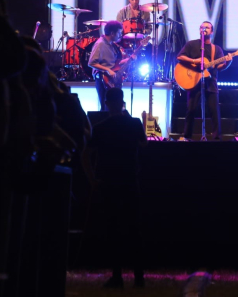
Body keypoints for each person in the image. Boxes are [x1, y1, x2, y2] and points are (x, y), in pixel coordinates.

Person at [81, 88, 146, 289]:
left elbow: (85, 154)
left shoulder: (100, 127)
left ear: (107, 103)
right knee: (134, 229)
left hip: (109, 182)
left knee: (113, 228)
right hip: (129, 180)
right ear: (123, 102)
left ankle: (117, 276)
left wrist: (92, 179)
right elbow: (144, 146)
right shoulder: (134, 123)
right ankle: (139, 277)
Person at [176, 21, 232, 140]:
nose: (204, 29)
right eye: (202, 27)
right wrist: (195, 61)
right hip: (193, 81)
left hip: (210, 82)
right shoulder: (191, 44)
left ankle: (217, 139)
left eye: (207, 27)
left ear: (212, 31)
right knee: (191, 109)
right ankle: (187, 137)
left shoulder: (216, 49)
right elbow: (180, 57)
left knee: (214, 111)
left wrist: (228, 62)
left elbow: (219, 67)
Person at [88, 20, 129, 110]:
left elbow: (113, 63)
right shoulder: (100, 44)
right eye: (119, 33)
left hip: (110, 79)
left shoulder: (112, 44)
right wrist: (107, 70)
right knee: (105, 108)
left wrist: (129, 60)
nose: (120, 35)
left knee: (112, 108)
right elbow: (91, 62)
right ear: (112, 33)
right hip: (103, 79)